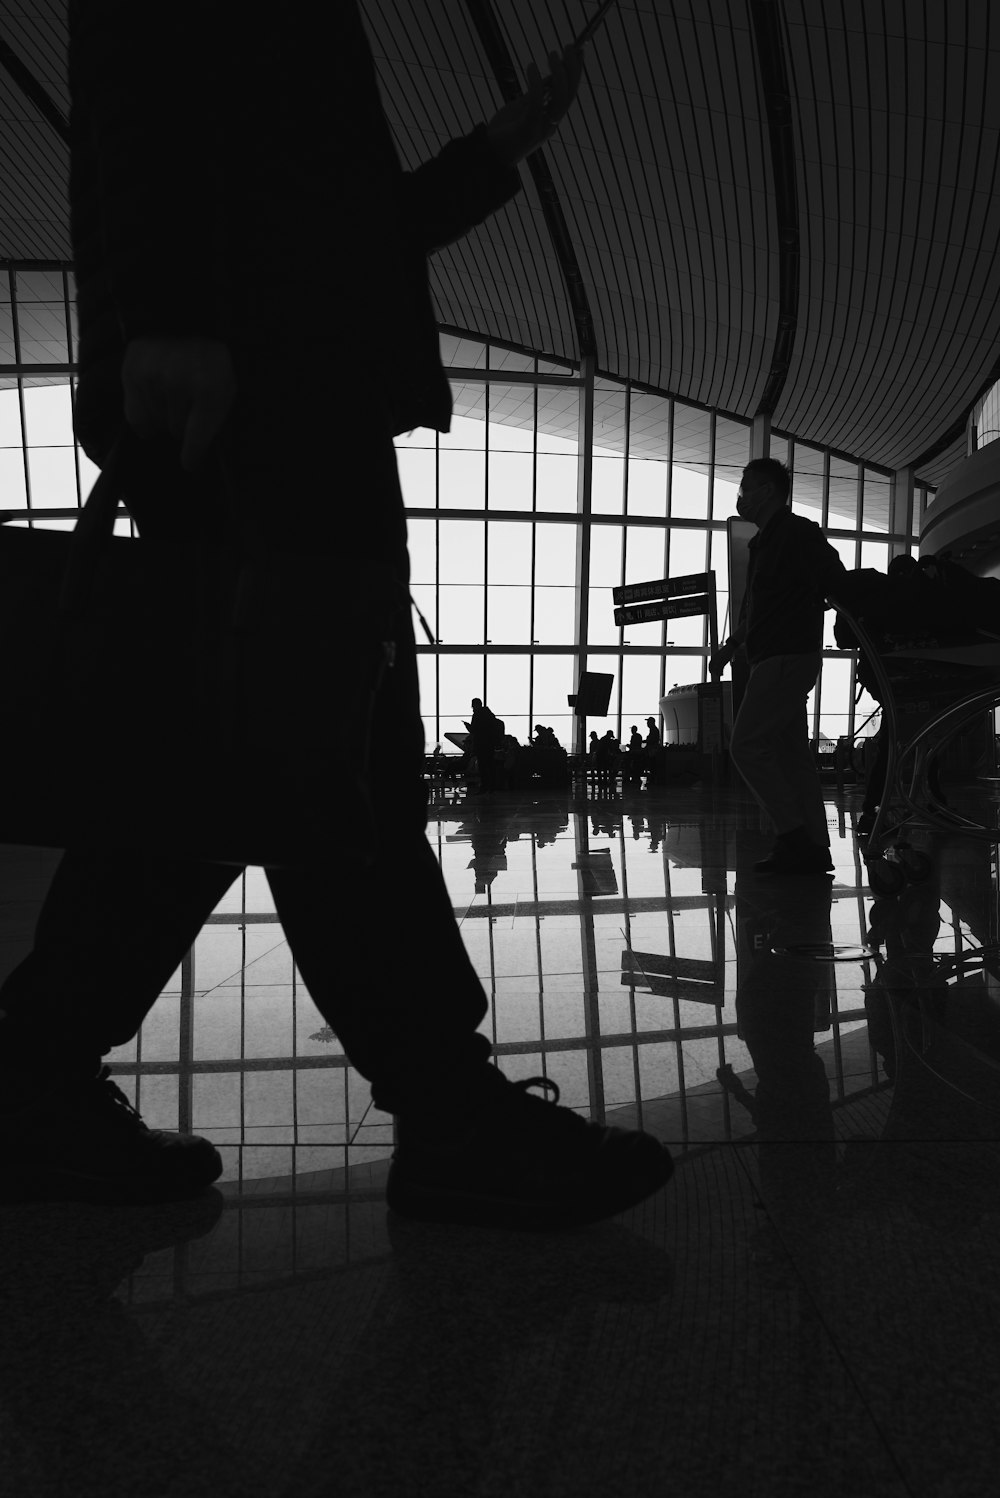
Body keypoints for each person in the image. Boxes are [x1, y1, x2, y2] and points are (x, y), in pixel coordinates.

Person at [0, 2, 673, 1230]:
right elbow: (134, 60)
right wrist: (164, 310)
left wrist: (495, 152)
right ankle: (448, 1112)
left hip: (280, 377)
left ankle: (30, 1078)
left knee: (217, 759)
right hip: (263, 392)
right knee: (329, 758)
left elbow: (345, 231)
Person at [709, 458, 849, 874]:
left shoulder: (795, 532)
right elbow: (755, 610)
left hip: (787, 656)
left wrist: (810, 610)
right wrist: (731, 646)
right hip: (774, 656)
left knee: (746, 745)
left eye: (745, 486)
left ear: (767, 490)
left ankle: (792, 837)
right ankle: (813, 849)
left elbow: (833, 576)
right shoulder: (763, 542)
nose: (740, 495)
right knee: (792, 756)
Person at [466, 697, 504, 794]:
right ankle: (492, 786)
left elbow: (474, 730)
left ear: (475, 705)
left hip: (481, 744)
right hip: (490, 744)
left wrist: (468, 727)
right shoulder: (490, 715)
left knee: (483, 766)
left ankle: (484, 787)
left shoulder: (477, 715)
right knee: (490, 765)